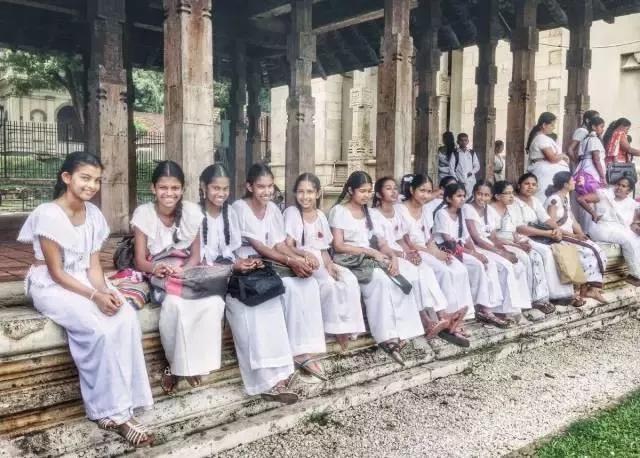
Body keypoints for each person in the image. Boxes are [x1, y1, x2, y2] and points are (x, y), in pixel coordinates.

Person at [18, 152, 154, 447]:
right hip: (51, 285)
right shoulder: (48, 214)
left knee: (126, 318)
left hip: (85, 281)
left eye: (96, 180)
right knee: (98, 330)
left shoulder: (93, 214)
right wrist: (94, 297)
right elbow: (56, 272)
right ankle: (110, 413)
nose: (91, 185)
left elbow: (93, 267)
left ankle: (129, 400)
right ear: (67, 177)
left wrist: (106, 292)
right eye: (85, 178)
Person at [200, 163, 297, 404]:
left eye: (224, 189)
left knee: (269, 301)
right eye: (215, 188)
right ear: (203, 188)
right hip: (210, 277)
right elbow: (199, 259)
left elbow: (234, 250)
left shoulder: (229, 214)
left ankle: (281, 374)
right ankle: (265, 382)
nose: (221, 193)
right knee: (248, 309)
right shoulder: (195, 215)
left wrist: (244, 263)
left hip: (235, 271)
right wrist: (233, 266)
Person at [131, 161, 223, 395]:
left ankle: (194, 364)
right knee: (174, 305)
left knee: (214, 303)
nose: (169, 193)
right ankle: (174, 365)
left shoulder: (192, 213)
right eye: (163, 188)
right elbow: (140, 261)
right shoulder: (144, 214)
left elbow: (195, 256)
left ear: (182, 189)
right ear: (153, 188)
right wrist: (156, 267)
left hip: (186, 274)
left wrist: (185, 270)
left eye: (175, 188)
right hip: (159, 275)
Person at [233, 164, 327, 382]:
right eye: (261, 187)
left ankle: (305, 348)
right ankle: (296, 352)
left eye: (270, 186)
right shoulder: (240, 208)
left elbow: (279, 244)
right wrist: (291, 262)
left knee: (309, 283)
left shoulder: (273, 209)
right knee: (291, 287)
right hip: (250, 263)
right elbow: (259, 246)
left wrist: (300, 256)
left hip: (271, 260)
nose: (266, 191)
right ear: (249, 186)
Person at [329, 171, 424, 365]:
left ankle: (405, 333)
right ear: (350, 190)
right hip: (349, 259)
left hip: (371, 257)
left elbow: (381, 242)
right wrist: (369, 252)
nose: (366, 195)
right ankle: (386, 337)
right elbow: (338, 245)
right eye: (362, 191)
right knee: (381, 281)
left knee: (400, 278)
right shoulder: (339, 211)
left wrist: (393, 258)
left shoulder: (369, 213)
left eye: (369, 191)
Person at [283, 173, 366, 352]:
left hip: (321, 259)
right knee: (328, 284)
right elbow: (288, 245)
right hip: (302, 258)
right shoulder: (292, 213)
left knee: (348, 279)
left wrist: (330, 265)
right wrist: (304, 253)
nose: (305, 196)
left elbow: (323, 249)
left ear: (318, 193)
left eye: (310, 192)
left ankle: (347, 326)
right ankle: (333, 328)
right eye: (301, 192)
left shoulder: (320, 215)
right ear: (295, 193)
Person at [370, 176, 455, 339]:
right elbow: (380, 244)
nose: (393, 191)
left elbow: (402, 239)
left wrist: (410, 253)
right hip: (386, 255)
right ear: (379, 194)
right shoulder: (373, 214)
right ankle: (426, 321)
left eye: (395, 188)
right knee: (415, 275)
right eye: (388, 188)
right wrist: (403, 255)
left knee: (425, 270)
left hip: (400, 252)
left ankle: (442, 314)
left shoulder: (396, 212)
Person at [397, 174, 472, 346]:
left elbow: (429, 239)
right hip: (411, 251)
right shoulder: (400, 209)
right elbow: (407, 241)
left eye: (429, 191)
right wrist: (433, 254)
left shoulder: (426, 210)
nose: (425, 195)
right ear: (412, 190)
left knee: (456, 267)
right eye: (422, 190)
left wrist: (439, 253)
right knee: (441, 270)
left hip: (426, 249)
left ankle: (456, 318)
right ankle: (444, 315)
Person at [432, 182, 508, 328]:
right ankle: (474, 309)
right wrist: (473, 254)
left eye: (463, 196)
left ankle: (486, 307)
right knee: (475, 266)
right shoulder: (442, 214)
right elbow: (449, 241)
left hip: (460, 249)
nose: (462, 199)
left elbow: (466, 238)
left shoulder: (460, 213)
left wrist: (476, 253)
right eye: (458, 196)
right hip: (447, 250)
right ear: (448, 198)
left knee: (486, 263)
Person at [464, 180, 533, 322]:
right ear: (474, 193)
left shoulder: (489, 210)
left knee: (517, 264)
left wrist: (507, 249)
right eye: (479, 194)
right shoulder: (467, 208)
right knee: (504, 265)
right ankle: (496, 309)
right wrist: (500, 253)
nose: (482, 198)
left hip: (489, 245)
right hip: (476, 246)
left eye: (486, 195)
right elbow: (476, 238)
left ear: (491, 196)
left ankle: (515, 307)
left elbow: (493, 237)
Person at [511, 173, 577, 305]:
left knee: (564, 247)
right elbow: (520, 228)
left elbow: (546, 219)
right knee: (547, 252)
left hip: (539, 235)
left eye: (533, 184)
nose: (530, 187)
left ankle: (568, 293)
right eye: (526, 184)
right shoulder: (514, 202)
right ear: (519, 186)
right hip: (523, 236)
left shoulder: (535, 200)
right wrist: (547, 233)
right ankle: (554, 294)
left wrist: (556, 229)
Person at [491, 180, 555, 315]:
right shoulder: (491, 210)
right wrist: (515, 245)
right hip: (499, 244)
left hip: (512, 242)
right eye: (507, 193)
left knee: (535, 255)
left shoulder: (510, 209)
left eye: (512, 193)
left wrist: (520, 242)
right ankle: (524, 301)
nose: (511, 196)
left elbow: (514, 231)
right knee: (524, 258)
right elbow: (493, 237)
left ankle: (539, 298)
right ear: (497, 196)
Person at [544, 171, 608, 304]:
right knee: (591, 251)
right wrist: (574, 235)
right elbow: (552, 225)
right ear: (565, 184)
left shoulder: (564, 197)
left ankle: (589, 289)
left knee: (596, 249)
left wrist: (581, 234)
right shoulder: (554, 200)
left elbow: (572, 220)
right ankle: (590, 289)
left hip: (569, 235)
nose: (575, 182)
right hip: (558, 237)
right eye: (572, 181)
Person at [577, 174, 640, 286]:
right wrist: (593, 213)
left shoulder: (631, 203)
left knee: (636, 238)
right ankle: (635, 275)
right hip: (602, 228)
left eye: (623, 186)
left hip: (619, 229)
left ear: (629, 191)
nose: (619, 187)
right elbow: (581, 199)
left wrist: (637, 229)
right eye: (618, 184)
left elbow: (632, 224)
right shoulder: (604, 195)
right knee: (628, 239)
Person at [526, 112, 570, 201]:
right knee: (545, 197)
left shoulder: (542, 138)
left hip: (548, 173)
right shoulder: (541, 138)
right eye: (552, 125)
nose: (554, 127)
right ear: (544, 125)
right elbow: (552, 158)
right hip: (545, 173)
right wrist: (563, 156)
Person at [574, 116, 607, 194]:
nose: (603, 129)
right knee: (593, 194)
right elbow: (596, 160)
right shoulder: (594, 139)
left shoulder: (585, 139)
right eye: (601, 127)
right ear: (593, 127)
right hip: (592, 170)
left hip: (584, 167)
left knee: (584, 193)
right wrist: (602, 177)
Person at [450, 133, 480, 198]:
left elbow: (477, 166)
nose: (463, 142)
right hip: (460, 181)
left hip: (471, 181)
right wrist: (456, 180)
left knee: (471, 197)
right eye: (461, 140)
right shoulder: (455, 153)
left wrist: (471, 172)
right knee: (462, 198)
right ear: (457, 142)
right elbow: (451, 169)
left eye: (465, 140)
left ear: (468, 141)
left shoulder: (472, 152)